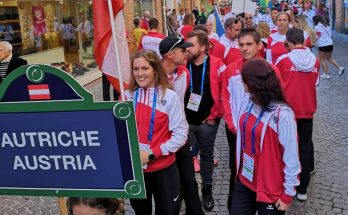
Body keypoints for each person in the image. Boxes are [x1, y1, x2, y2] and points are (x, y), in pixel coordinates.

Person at [230, 58, 301, 215]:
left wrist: (288, 195)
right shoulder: (248, 100)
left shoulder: (283, 114)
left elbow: (291, 156)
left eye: (244, 79)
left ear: (255, 82)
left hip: (269, 188)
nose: (241, 82)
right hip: (245, 179)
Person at [222, 29, 281, 212]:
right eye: (241, 45)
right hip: (238, 132)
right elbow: (226, 98)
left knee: (265, 167)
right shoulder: (231, 70)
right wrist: (232, 125)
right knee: (238, 170)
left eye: (249, 44)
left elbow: (279, 100)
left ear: (259, 46)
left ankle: (264, 201)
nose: (245, 48)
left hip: (263, 131)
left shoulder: (271, 69)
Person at [127, 49, 187, 215]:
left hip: (164, 169)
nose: (140, 74)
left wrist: (152, 154)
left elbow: (181, 135)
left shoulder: (170, 97)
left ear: (155, 69)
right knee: (141, 212)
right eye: (136, 69)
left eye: (145, 68)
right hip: (137, 171)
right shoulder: (126, 97)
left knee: (168, 211)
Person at [159, 37, 205, 215]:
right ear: (169, 55)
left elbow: (180, 103)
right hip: (161, 138)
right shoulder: (152, 76)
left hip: (181, 135)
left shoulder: (184, 73)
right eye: (182, 49)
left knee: (190, 181)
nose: (187, 52)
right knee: (170, 186)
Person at [275, 28, 320, 202]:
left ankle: (287, 185)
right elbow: (315, 83)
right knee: (305, 146)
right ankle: (303, 189)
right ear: (303, 40)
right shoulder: (315, 61)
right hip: (307, 109)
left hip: (288, 111)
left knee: (285, 147)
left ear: (288, 41)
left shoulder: (283, 60)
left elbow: (276, 83)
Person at [185, 30, 226, 211]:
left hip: (208, 122)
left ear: (202, 47)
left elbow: (226, 92)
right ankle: (187, 192)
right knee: (184, 157)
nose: (187, 48)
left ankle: (207, 190)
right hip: (185, 122)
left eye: (191, 45)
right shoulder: (183, 64)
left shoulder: (217, 64)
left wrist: (215, 116)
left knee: (206, 156)